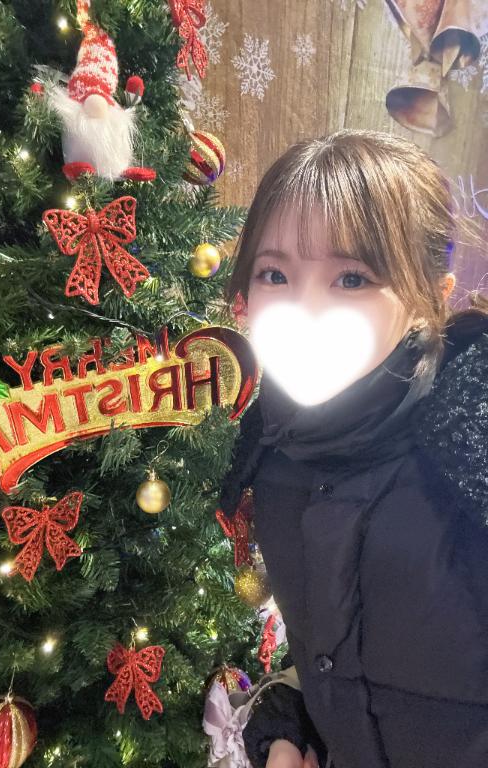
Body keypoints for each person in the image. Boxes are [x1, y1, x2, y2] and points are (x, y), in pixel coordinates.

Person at [217, 129, 488, 768]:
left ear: (431, 297)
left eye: (351, 278)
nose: (305, 309)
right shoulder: (268, 443)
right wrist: (289, 724)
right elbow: (328, 651)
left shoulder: (471, 435)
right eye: (275, 274)